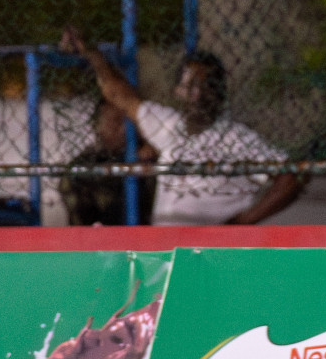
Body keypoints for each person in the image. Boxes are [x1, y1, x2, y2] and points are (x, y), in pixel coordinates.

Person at [60, 30, 303, 225]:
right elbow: (117, 93)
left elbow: (293, 177)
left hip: (209, 251)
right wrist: (91, 52)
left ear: (219, 93)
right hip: (166, 246)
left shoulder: (236, 138)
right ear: (178, 91)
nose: (196, 95)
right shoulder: (169, 124)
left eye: (205, 86)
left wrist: (243, 221)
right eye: (189, 86)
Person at [60, 98, 159, 226]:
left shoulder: (149, 152)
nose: (124, 130)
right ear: (99, 125)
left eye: (129, 123)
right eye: (116, 122)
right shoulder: (86, 164)